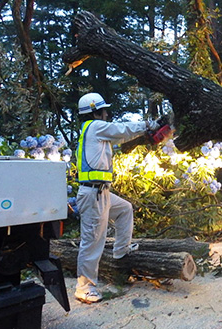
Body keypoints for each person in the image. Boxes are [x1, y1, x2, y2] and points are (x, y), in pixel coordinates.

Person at [74, 92, 164, 304]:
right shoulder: (95, 127)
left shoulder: (97, 132)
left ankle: (121, 252)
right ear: (95, 111)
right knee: (92, 240)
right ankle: (84, 288)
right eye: (104, 110)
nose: (106, 113)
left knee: (124, 209)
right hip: (92, 193)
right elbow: (121, 129)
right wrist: (149, 124)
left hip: (101, 192)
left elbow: (121, 136)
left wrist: (144, 133)